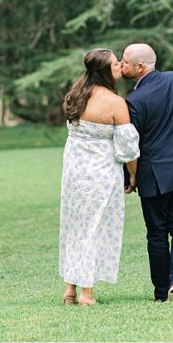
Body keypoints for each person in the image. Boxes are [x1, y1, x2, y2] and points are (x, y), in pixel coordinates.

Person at [121, 43, 173, 302]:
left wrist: (129, 178)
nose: (122, 66)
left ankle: (160, 292)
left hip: (152, 175)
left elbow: (130, 144)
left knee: (156, 232)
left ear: (140, 67)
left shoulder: (133, 101)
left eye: (125, 62)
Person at [58, 48, 140, 306]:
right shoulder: (115, 103)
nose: (120, 67)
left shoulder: (75, 95)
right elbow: (127, 148)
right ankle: (87, 294)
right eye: (116, 64)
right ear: (105, 70)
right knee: (93, 229)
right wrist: (133, 176)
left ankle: (70, 290)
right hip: (100, 175)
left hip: (73, 174)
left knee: (75, 227)